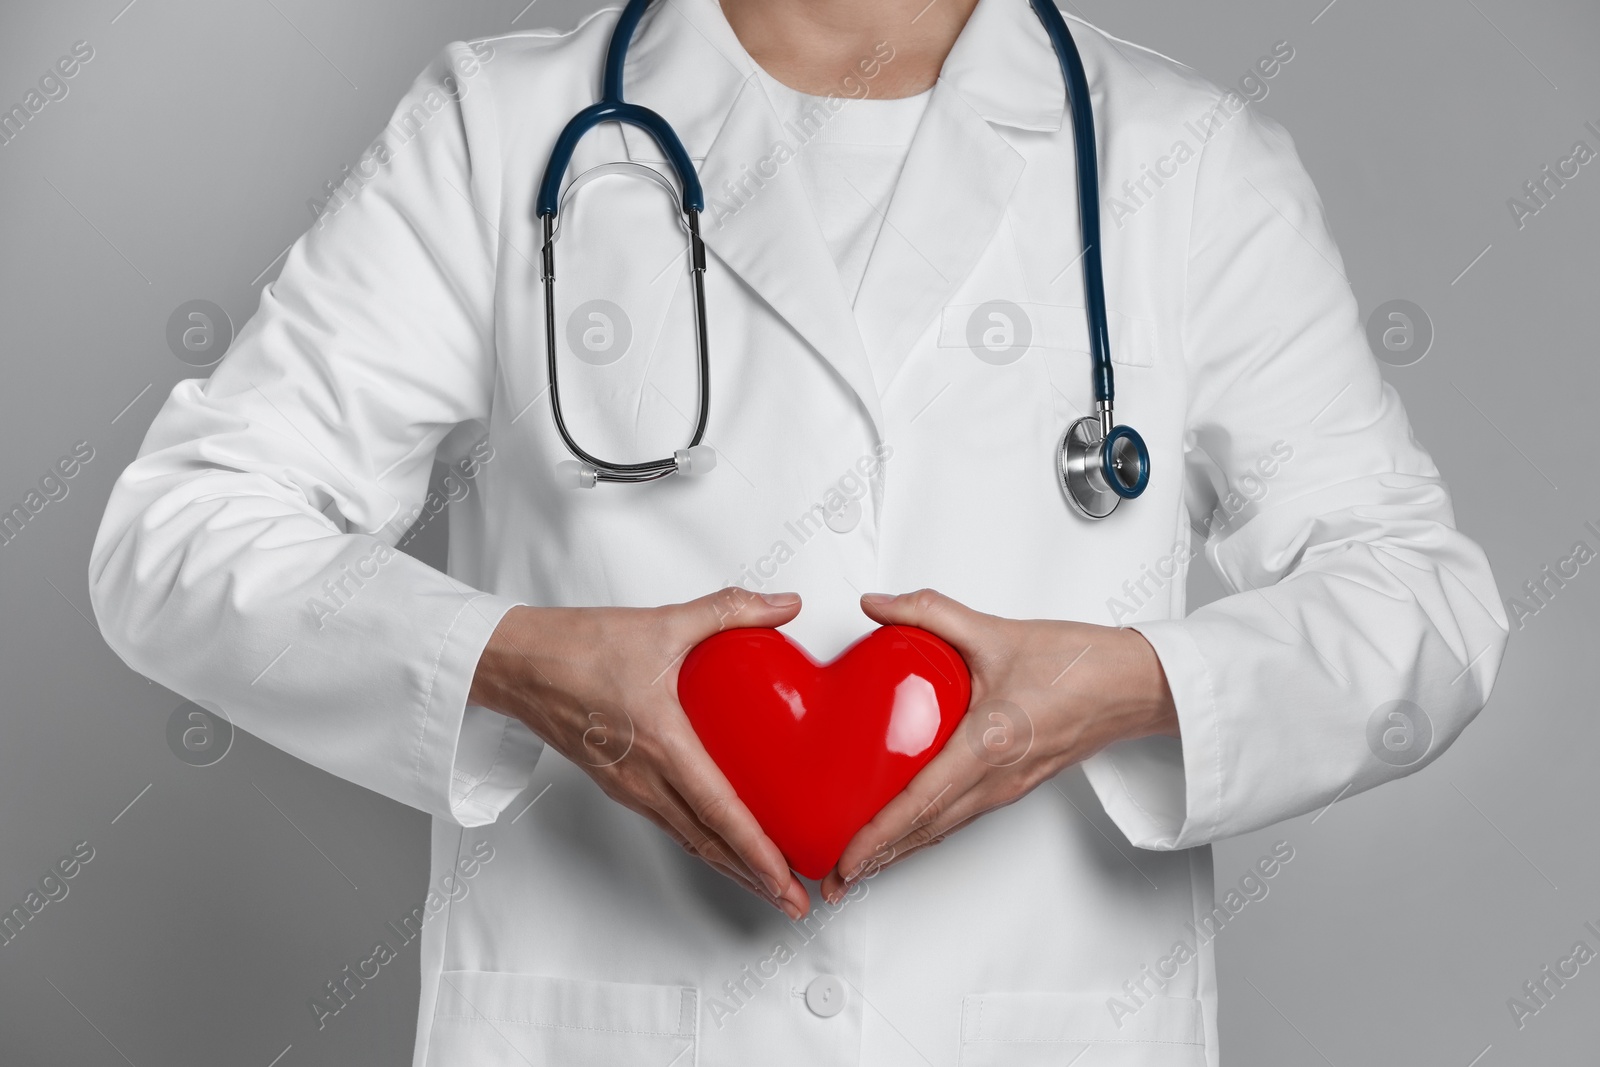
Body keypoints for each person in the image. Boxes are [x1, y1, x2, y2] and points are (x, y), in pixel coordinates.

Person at [89, 0, 1508, 1063]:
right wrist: (513, 667)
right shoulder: (498, 128)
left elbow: (1422, 609)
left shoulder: (1186, 164)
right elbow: (178, 540)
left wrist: (1129, 692)